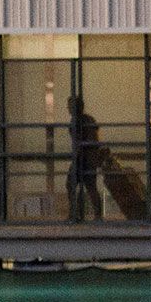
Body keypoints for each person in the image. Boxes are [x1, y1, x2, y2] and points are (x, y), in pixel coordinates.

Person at [65, 94, 104, 222]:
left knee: (74, 184)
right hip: (88, 158)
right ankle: (96, 215)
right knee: (89, 186)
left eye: (70, 106)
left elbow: (82, 142)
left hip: (84, 158)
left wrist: (77, 158)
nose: (68, 108)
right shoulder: (88, 119)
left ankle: (75, 213)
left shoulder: (78, 121)